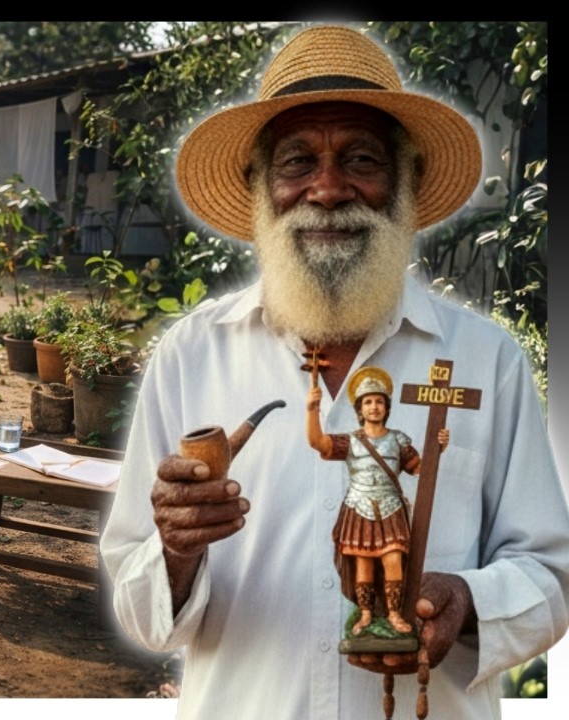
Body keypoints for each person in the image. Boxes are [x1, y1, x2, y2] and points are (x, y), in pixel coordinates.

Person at [99, 25, 567, 719]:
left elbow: (551, 577)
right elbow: (139, 609)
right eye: (296, 163)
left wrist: (469, 602)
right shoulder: (193, 355)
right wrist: (173, 552)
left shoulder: (484, 360)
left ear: (404, 185)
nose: (326, 189)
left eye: (361, 160)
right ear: (259, 187)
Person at [307, 367, 449, 637]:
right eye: (368, 402)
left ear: (387, 407)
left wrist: (437, 447)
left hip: (390, 508)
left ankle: (395, 614)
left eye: (379, 401)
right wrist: (312, 409)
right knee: (364, 564)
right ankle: (366, 614)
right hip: (358, 507)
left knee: (393, 559)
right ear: (360, 408)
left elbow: (419, 468)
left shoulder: (398, 440)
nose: (374, 407)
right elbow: (318, 443)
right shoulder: (350, 441)